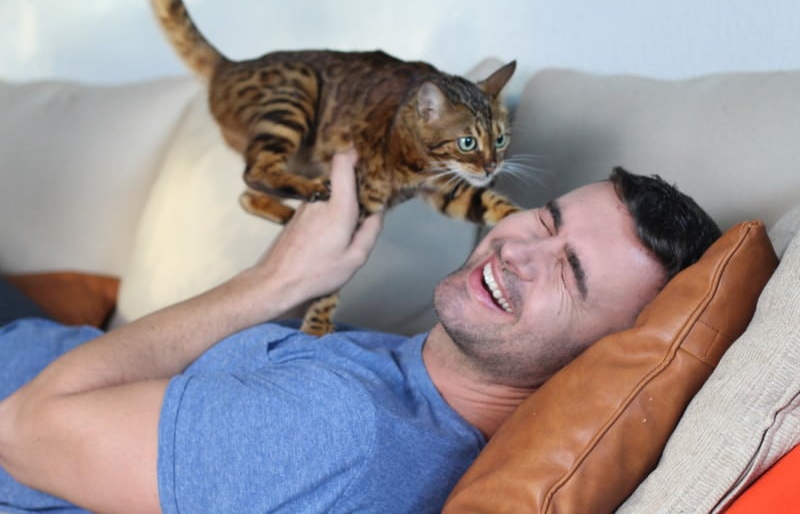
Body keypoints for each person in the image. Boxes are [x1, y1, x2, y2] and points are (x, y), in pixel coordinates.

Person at [0, 148, 721, 514]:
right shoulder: (416, 394)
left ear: (598, 358)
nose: (519, 251)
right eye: (548, 219)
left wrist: (277, 279)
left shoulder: (344, 432)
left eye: (571, 275)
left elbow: (24, 429)